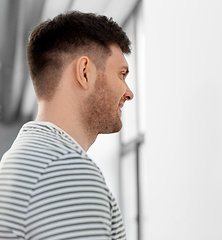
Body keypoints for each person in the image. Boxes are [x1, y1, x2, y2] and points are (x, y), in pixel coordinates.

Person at [0, 11, 133, 239]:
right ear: (84, 72)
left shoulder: (21, 158)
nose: (128, 93)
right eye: (121, 75)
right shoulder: (65, 169)